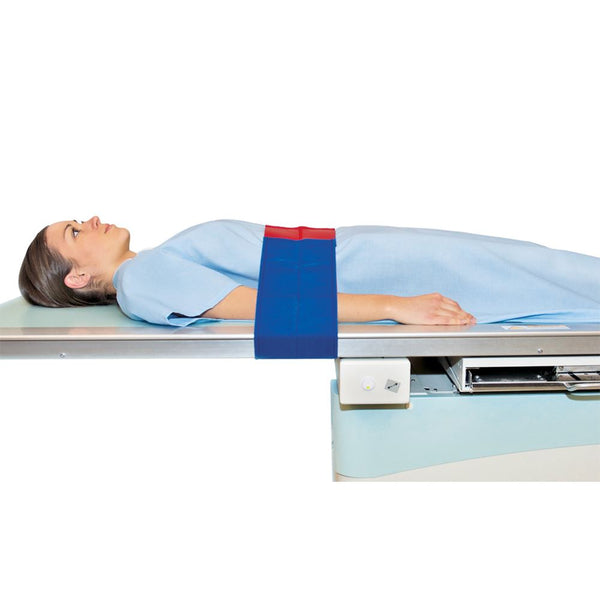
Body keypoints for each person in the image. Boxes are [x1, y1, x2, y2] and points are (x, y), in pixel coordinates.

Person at [19, 217, 600, 327]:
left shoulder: (153, 264)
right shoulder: (141, 280)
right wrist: (395, 306)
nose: (91, 221)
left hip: (364, 257)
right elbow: (264, 307)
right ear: (76, 277)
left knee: (540, 268)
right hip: (375, 275)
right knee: (542, 273)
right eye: (75, 233)